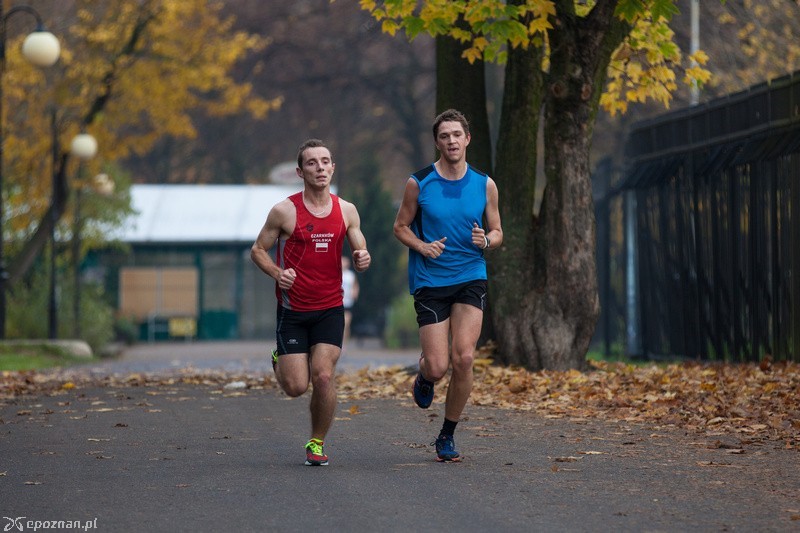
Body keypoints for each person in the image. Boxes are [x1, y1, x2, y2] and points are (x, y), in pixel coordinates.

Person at [251, 139, 371, 466]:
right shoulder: (284, 211)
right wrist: (278, 273)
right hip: (292, 311)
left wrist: (362, 256)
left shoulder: (346, 209)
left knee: (323, 377)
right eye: (312, 163)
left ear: (333, 167)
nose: (320, 168)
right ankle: (281, 356)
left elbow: (358, 243)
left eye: (325, 161)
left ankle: (316, 442)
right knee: (295, 386)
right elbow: (258, 250)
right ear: (300, 171)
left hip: (330, 308)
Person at [393, 109, 503, 462]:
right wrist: (423, 246)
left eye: (457, 134)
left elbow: (498, 232)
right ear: (437, 142)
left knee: (465, 357)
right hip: (431, 280)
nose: (452, 141)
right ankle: (425, 375)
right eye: (445, 136)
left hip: (471, 274)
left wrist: (485, 241)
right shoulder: (419, 182)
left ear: (467, 139)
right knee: (439, 366)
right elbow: (401, 227)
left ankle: (447, 434)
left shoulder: (484, 184)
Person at [340, 255, 360, 347]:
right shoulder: (336, 273)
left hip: (348, 302)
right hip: (337, 302)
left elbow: (356, 286)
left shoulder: (351, 275)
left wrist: (355, 293)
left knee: (346, 324)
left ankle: (344, 344)